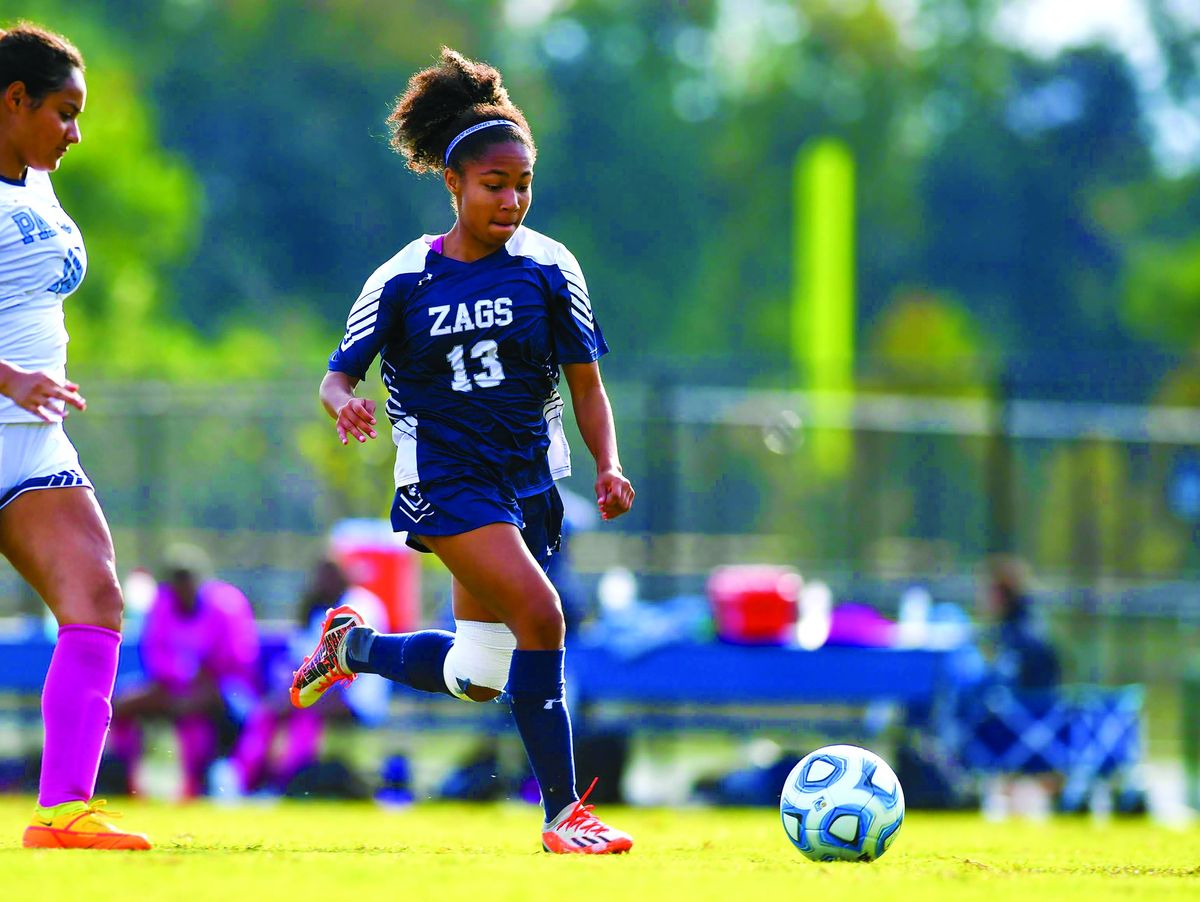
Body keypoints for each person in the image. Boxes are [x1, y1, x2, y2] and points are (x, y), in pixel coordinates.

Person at [291, 47, 636, 853]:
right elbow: (336, 378)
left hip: (528, 484)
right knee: (541, 614)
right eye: (494, 185)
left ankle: (353, 647)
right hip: (445, 481)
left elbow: (586, 385)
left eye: (523, 185)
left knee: (479, 675)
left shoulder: (551, 268)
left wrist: (608, 463)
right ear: (454, 183)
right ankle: (563, 815)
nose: (511, 200)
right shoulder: (404, 277)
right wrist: (347, 407)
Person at [0, 22, 149, 850]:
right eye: (63, 112)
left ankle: (62, 812)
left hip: (32, 439)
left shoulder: (34, 181)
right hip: (12, 405)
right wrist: (9, 375)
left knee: (94, 596)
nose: (76, 133)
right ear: (12, 101)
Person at [223, 557, 390, 797]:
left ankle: (287, 783)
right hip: (327, 689)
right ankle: (244, 781)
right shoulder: (319, 609)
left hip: (355, 694)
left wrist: (290, 698)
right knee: (269, 713)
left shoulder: (359, 605)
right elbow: (301, 661)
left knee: (302, 711)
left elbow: (341, 664)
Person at [108, 545, 261, 799]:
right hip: (174, 689)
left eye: (187, 579)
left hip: (224, 690)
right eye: (176, 581)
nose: (182, 587)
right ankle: (122, 777)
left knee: (195, 718)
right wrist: (180, 680)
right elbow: (156, 656)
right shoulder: (162, 605)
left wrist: (200, 679)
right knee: (120, 704)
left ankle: (207, 783)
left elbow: (239, 659)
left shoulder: (226, 605)